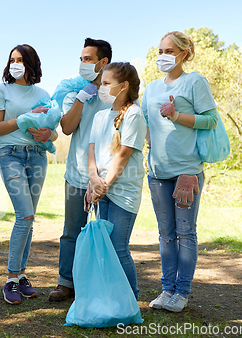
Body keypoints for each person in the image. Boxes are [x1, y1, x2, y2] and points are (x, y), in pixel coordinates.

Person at [142, 31, 218, 312]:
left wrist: (176, 116)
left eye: (170, 51)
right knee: (165, 234)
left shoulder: (194, 81)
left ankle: (181, 292)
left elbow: (210, 120)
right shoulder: (150, 88)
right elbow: (145, 121)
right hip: (158, 172)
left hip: (186, 172)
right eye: (160, 51)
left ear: (184, 53)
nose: (163, 56)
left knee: (185, 233)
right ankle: (166, 290)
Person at [0, 44, 58, 305]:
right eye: (12, 60)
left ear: (31, 64)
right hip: (11, 156)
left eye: (20, 60)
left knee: (30, 218)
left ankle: (22, 276)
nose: (15, 64)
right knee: (25, 215)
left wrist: (48, 134)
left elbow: (54, 131)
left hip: (38, 156)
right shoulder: (1, 90)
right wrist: (24, 118)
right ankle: (10, 279)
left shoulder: (43, 93)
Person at [49, 38, 112, 301]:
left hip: (108, 176)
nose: (82, 63)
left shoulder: (115, 91)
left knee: (109, 232)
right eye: (81, 58)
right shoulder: (74, 90)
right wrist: (80, 99)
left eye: (88, 59)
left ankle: (104, 283)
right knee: (71, 231)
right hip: (76, 174)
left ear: (103, 62)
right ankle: (66, 282)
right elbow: (67, 127)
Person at [88, 62, 146, 301]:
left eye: (106, 84)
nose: (102, 88)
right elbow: (91, 152)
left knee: (118, 246)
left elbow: (122, 155)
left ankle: (130, 298)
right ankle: (111, 297)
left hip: (123, 191)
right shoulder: (100, 116)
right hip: (102, 188)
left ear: (123, 86)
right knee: (105, 247)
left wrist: (104, 185)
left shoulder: (134, 114)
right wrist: (93, 181)